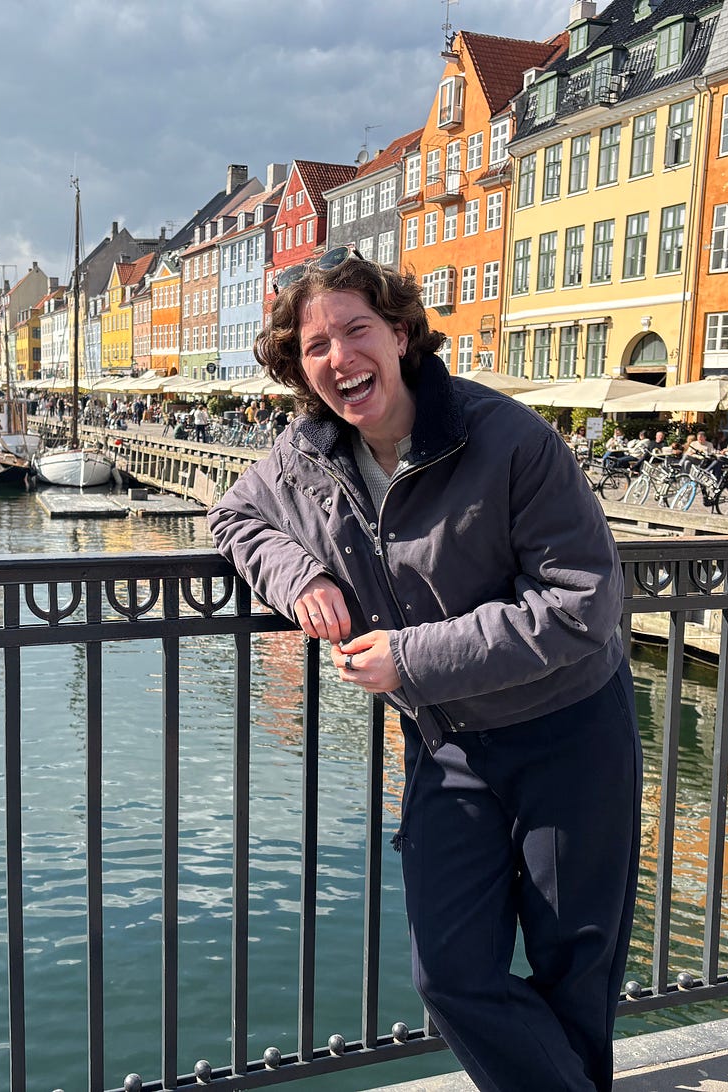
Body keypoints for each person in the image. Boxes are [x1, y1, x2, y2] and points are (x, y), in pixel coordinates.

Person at [208, 253, 640, 1092]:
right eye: (315, 345)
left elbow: (582, 603)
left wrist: (409, 657)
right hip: (448, 743)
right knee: (447, 972)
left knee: (575, 972)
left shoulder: (507, 438)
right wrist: (300, 575)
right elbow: (234, 516)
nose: (339, 358)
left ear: (400, 334)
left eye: (356, 330)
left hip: (570, 730)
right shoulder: (305, 460)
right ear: (297, 366)